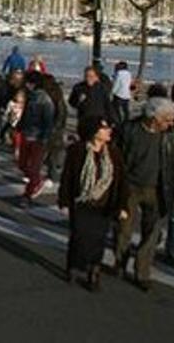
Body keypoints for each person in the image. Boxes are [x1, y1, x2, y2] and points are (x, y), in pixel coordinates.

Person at [114, 97, 174, 291]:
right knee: (123, 227)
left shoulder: (171, 135)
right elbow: (117, 156)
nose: (171, 123)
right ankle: (120, 261)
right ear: (154, 117)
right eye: (168, 119)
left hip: (158, 188)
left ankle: (142, 272)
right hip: (130, 186)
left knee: (151, 232)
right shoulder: (129, 129)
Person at [58, 116, 127, 291]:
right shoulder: (78, 151)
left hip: (104, 205)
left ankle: (93, 273)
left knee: (98, 240)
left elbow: (121, 182)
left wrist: (122, 206)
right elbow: (68, 177)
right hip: (81, 202)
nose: (108, 131)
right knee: (79, 237)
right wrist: (64, 201)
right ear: (94, 132)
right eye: (104, 128)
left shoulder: (113, 153)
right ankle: (73, 266)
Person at [18, 72, 56, 202]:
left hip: (38, 137)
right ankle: (35, 182)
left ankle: (29, 192)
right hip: (27, 134)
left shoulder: (44, 99)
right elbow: (25, 114)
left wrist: (44, 138)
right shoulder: (31, 96)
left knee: (34, 167)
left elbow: (48, 120)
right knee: (23, 164)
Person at [111, 61, 133, 126]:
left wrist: (112, 92)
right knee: (126, 111)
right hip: (127, 94)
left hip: (119, 94)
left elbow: (116, 84)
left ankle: (118, 122)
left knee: (116, 110)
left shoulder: (119, 73)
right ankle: (126, 123)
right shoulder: (129, 73)